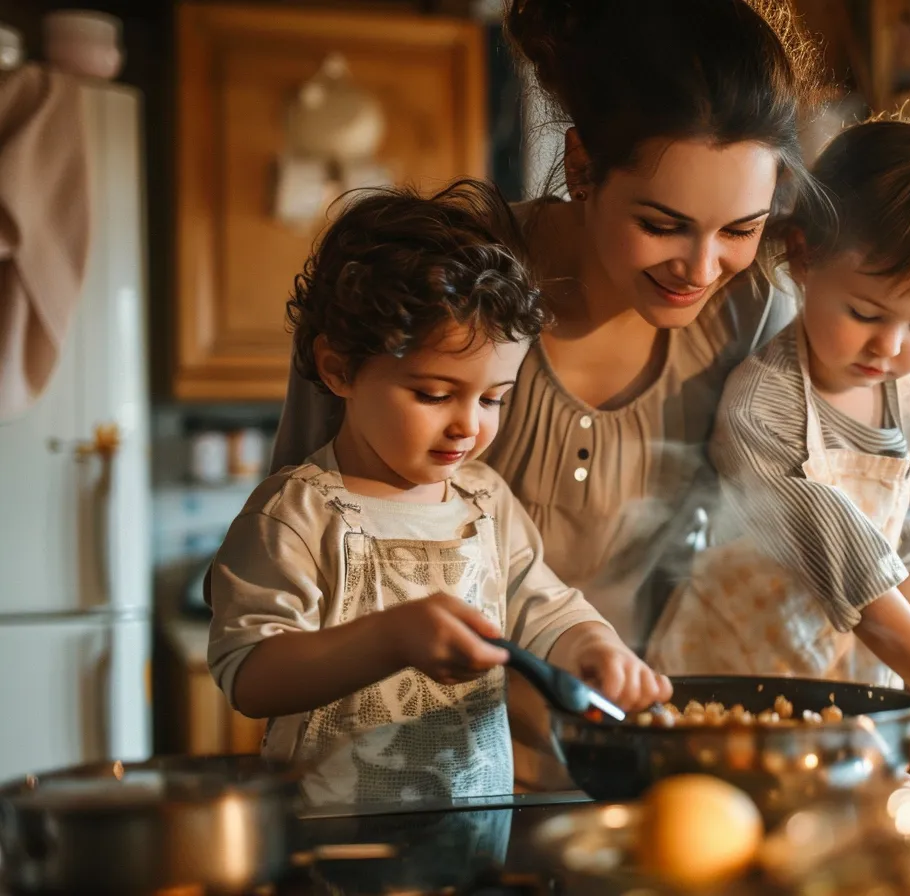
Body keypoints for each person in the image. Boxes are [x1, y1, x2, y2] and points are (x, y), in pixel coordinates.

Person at [267, 0, 825, 787]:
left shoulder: (753, 316)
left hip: (635, 763)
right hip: (410, 775)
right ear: (585, 166)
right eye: (664, 225)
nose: (702, 268)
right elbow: (299, 523)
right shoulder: (442, 287)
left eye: (740, 229)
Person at [207, 181, 670, 805]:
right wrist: (390, 637)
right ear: (339, 368)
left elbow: (543, 605)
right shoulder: (296, 514)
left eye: (493, 398)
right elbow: (251, 676)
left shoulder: (484, 501)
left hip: (476, 830)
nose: (468, 424)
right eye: (432, 394)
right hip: (331, 841)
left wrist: (593, 645)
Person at [647, 118, 910, 767]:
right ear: (803, 255)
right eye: (866, 313)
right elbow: (855, 569)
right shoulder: (759, 407)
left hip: (844, 709)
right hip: (720, 695)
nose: (890, 345)